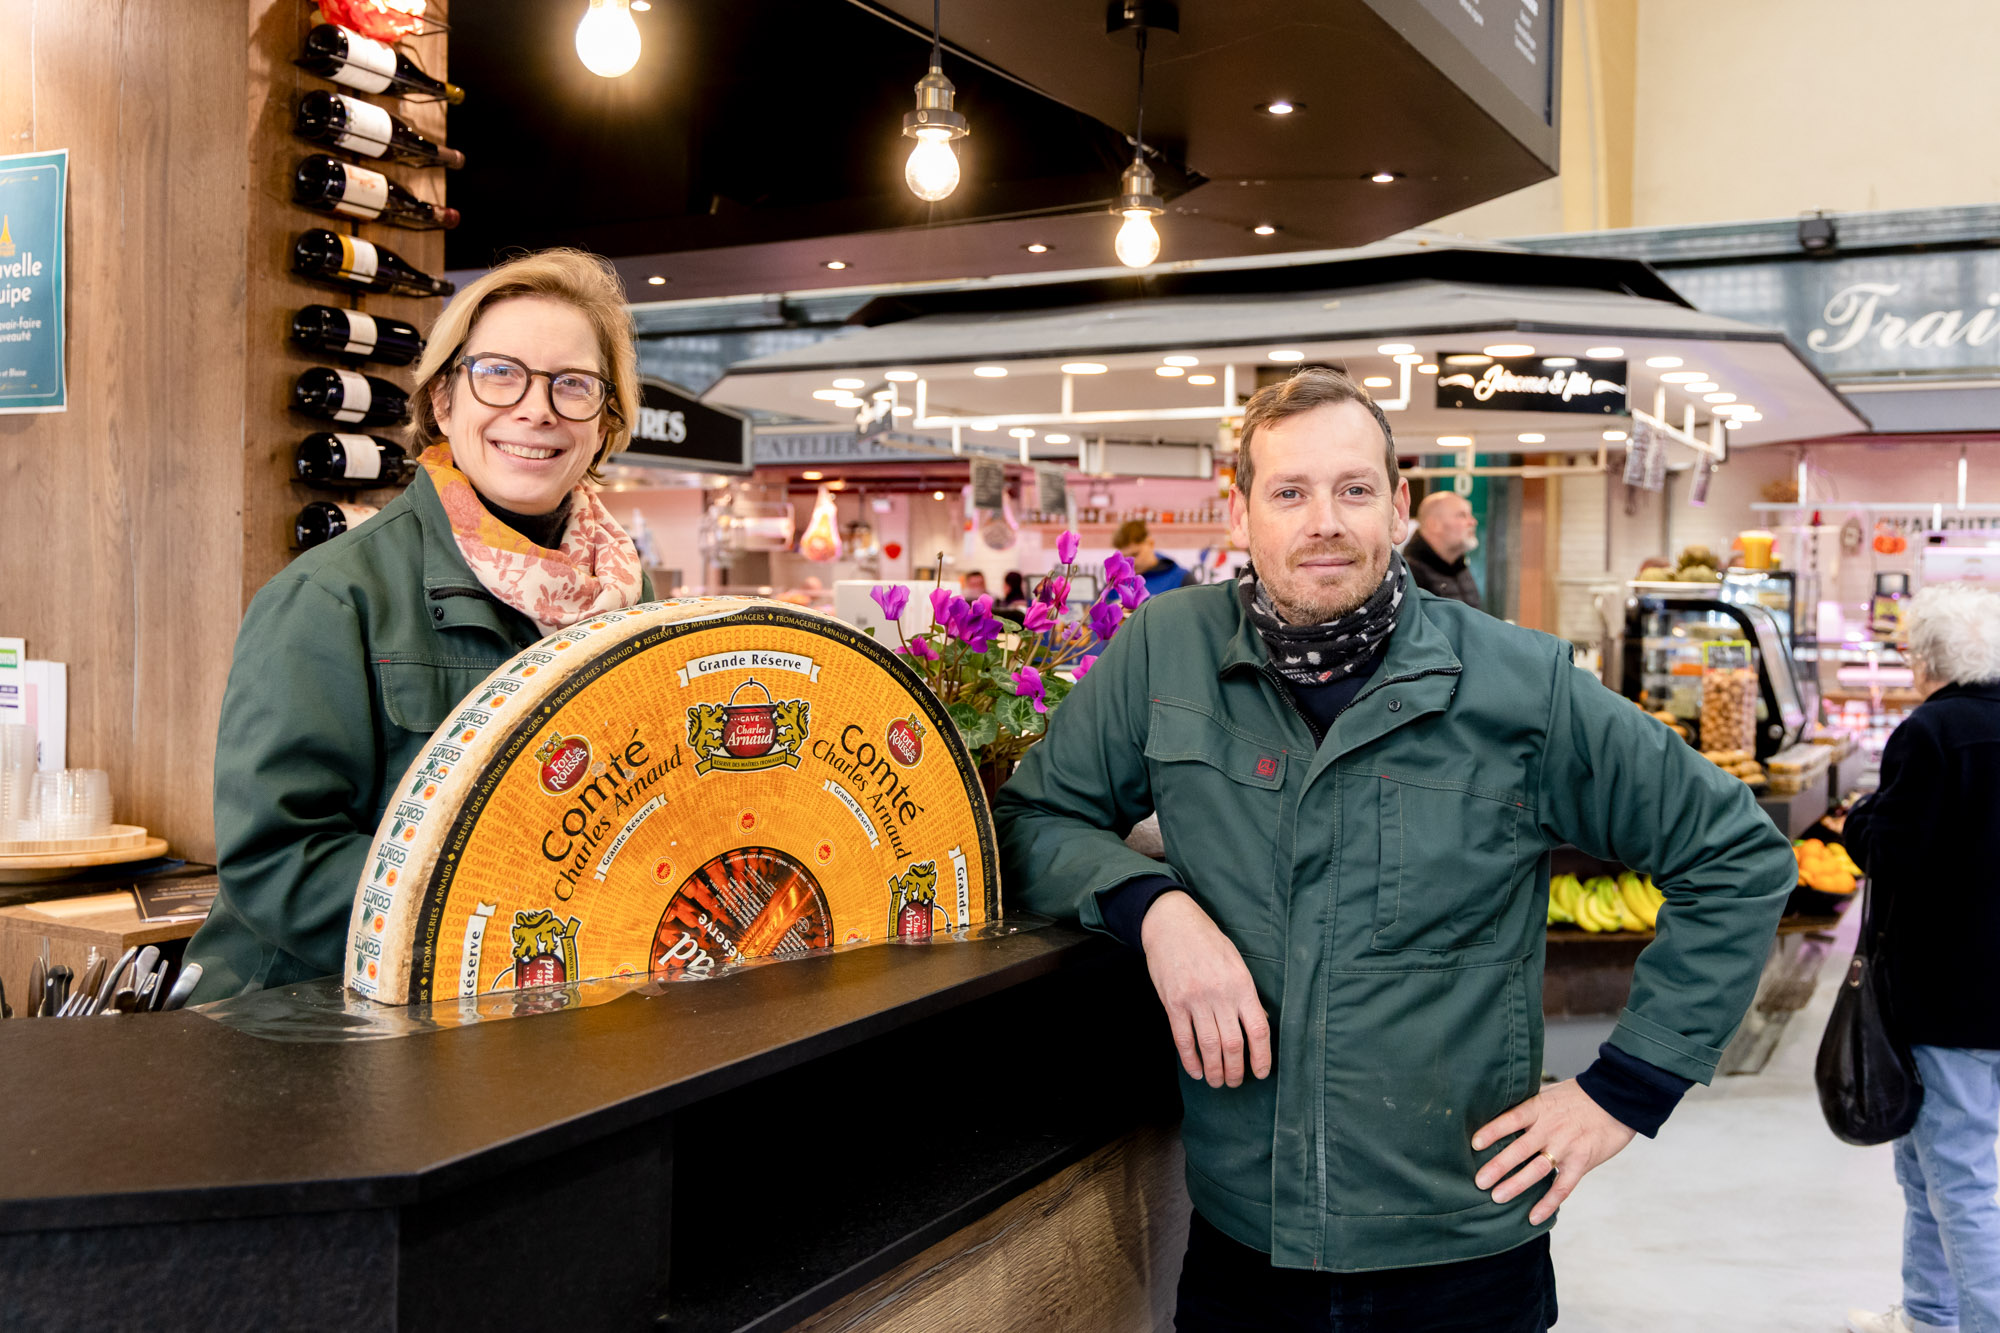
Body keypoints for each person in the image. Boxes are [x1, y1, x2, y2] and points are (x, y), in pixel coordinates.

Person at [995, 367, 1793, 1331]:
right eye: (1288, 492)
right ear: (1239, 512)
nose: (1323, 519)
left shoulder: (1515, 684)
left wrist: (1626, 1088)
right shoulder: (1166, 651)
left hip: (1461, 1254)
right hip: (1247, 1247)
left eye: (1354, 488)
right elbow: (1037, 818)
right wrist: (1155, 909)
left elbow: (1737, 854)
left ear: (1398, 506)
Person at [186, 250, 654, 1000]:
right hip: (315, 1029)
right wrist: (505, 921)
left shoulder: (631, 601)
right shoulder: (331, 596)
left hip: (534, 1009)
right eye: (500, 373)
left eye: (572, 386)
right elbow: (279, 861)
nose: (536, 409)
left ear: (604, 424)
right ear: (444, 400)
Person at [1843, 583, 2000, 1333]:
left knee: (1957, 1174)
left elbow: (1889, 852)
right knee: (1928, 1165)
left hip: (1949, 992)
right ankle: (1930, 1314)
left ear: (1926, 657)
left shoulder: (1931, 733)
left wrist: (1860, 818)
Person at [1404, 489, 1482, 608]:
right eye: (1462, 515)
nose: (1472, 522)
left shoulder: (1458, 565)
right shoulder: (1409, 576)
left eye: (1470, 515)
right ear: (1433, 524)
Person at [1113, 519, 1189, 597]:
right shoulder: (1115, 582)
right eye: (1124, 557)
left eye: (1135, 554)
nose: (1131, 563)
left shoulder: (1182, 579)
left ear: (1151, 543)